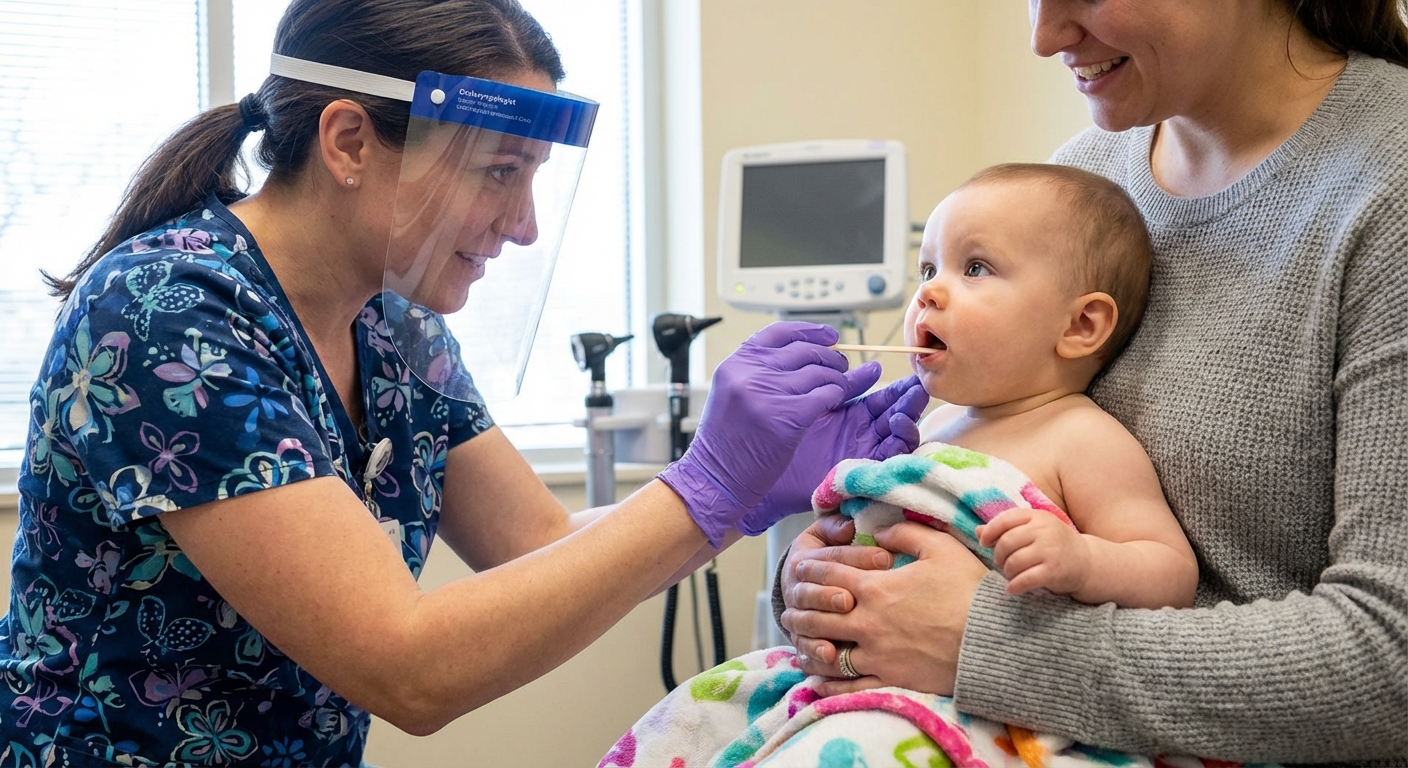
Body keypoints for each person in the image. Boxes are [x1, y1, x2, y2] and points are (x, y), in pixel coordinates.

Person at [0, 1, 927, 765]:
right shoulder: (167, 312)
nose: (522, 227)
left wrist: (741, 495)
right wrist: (705, 490)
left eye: (533, 181)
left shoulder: (396, 332)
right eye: (498, 173)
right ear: (351, 141)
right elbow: (409, 668)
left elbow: (541, 545)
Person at [780, 0, 1408, 763]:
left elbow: (1391, 660)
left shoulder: (1388, 189)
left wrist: (980, 644)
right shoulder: (1085, 180)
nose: (1045, 39)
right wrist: (831, 577)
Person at [907, 163, 1196, 612]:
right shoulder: (933, 426)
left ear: (1080, 326)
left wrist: (1083, 561)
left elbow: (1171, 572)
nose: (928, 293)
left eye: (976, 268)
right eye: (928, 270)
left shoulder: (1082, 440)